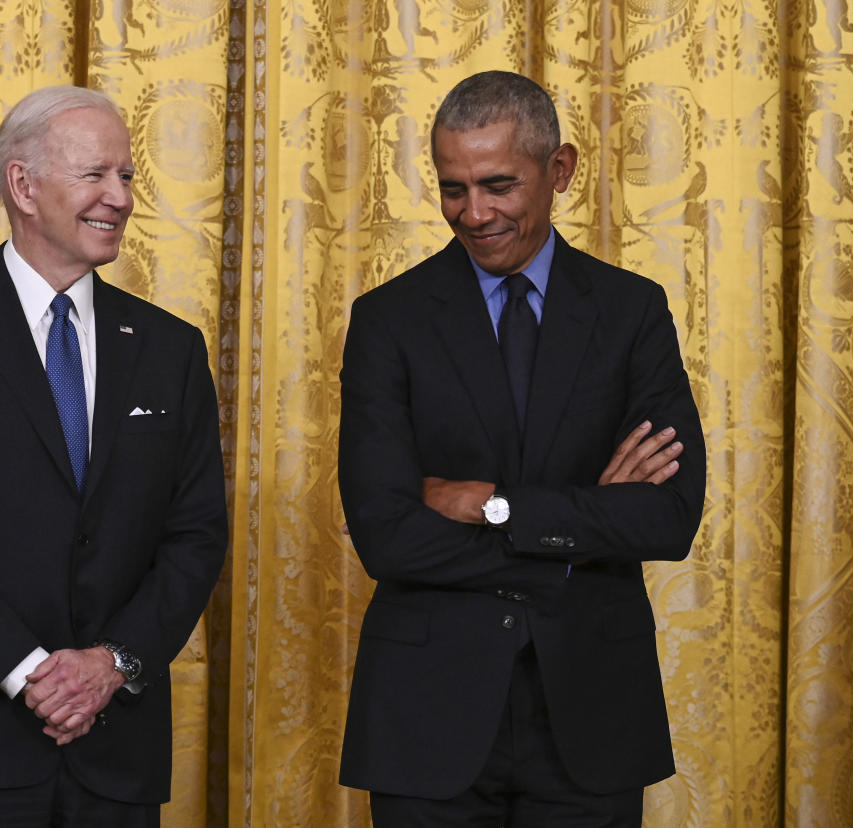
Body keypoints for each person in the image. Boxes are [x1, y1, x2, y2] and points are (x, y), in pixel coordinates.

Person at [337, 71, 706, 826]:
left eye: (498, 185)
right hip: (427, 717)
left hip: (592, 712)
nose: (474, 213)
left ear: (559, 170)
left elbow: (668, 517)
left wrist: (496, 507)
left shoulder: (633, 312)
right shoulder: (387, 320)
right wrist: (578, 535)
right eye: (452, 189)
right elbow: (386, 534)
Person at [0, 85, 228, 827]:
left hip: (114, 750)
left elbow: (195, 536)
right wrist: (30, 673)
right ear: (23, 186)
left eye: (126, 176)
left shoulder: (170, 349)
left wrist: (109, 666)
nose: (119, 197)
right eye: (96, 174)